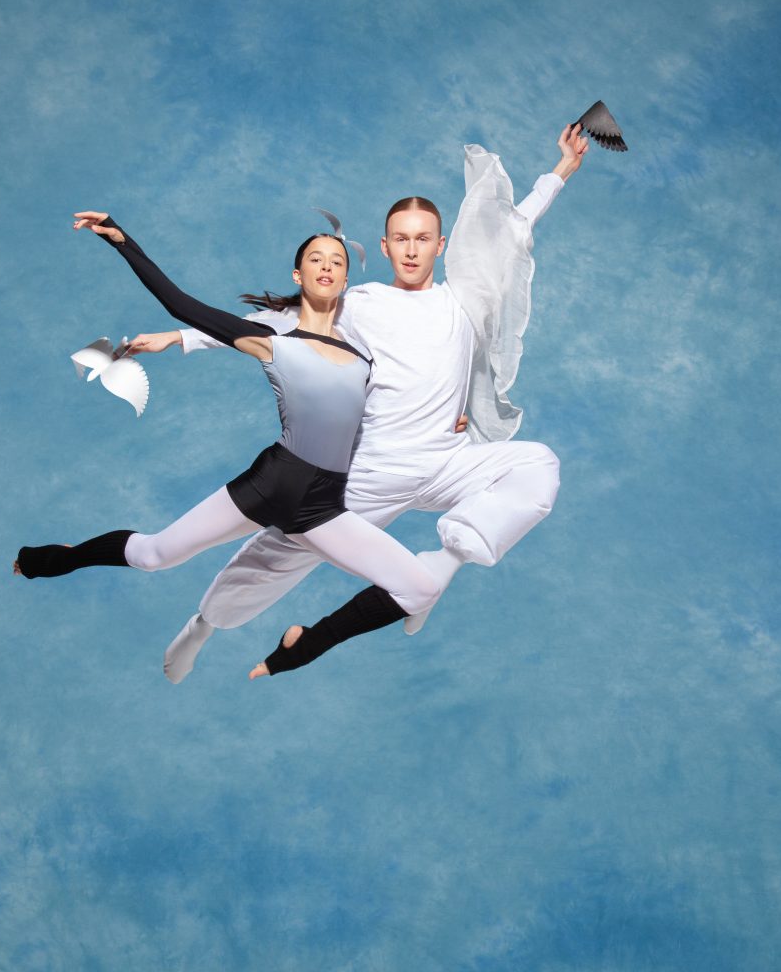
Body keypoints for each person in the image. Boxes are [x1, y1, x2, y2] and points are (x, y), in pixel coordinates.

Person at [133, 124, 589, 683]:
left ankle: (442, 566)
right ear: (386, 245)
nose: (414, 249)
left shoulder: (462, 299)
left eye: (425, 238)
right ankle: (203, 624)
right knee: (271, 562)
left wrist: (560, 170)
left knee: (537, 465)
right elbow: (277, 325)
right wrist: (180, 338)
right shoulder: (361, 304)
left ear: (442, 245)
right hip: (370, 475)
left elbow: (513, 229)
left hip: (446, 461)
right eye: (402, 238)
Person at [13, 216, 441, 644]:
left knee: (421, 587)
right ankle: (55, 560)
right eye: (316, 259)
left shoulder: (364, 359)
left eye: (336, 262)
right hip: (271, 483)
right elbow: (180, 303)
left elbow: (392, 416)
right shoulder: (273, 341)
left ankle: (306, 643)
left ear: (345, 280)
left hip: (322, 506)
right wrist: (123, 240)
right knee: (153, 554)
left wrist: (456, 420)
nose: (326, 267)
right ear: (299, 274)